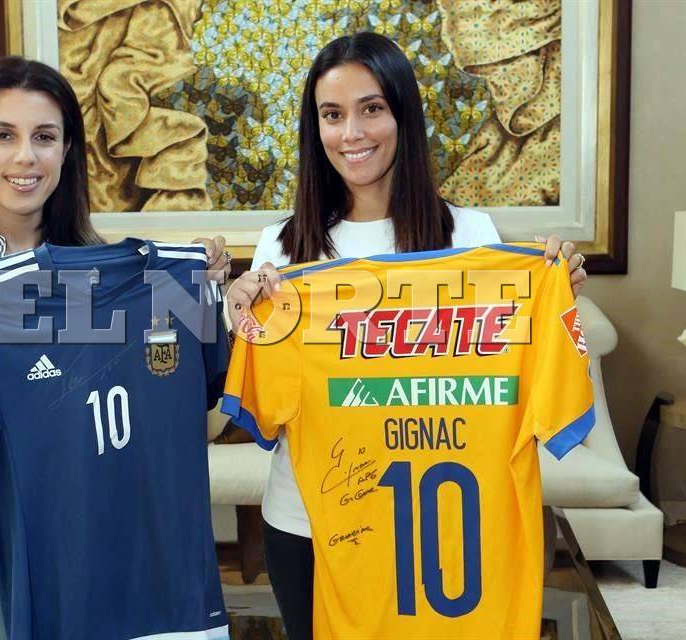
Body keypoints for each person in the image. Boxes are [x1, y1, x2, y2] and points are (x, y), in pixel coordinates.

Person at [0, 56, 232, 640]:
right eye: (4, 135)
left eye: (45, 137)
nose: (25, 156)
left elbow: (187, 410)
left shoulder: (99, 270)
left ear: (67, 151)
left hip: (86, 528)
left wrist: (204, 294)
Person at [225, 32, 587, 640]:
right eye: (332, 114)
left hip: (451, 530)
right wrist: (235, 315)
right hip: (312, 526)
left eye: (371, 108)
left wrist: (555, 291)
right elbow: (257, 396)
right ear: (315, 129)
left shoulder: (473, 238)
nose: (351, 133)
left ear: (403, 115)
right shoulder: (281, 250)